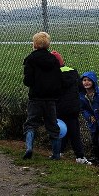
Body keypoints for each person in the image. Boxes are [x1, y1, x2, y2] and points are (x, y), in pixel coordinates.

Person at [22, 31, 63, 160]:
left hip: (35, 97)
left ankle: (29, 148)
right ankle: (56, 154)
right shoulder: (54, 60)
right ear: (48, 44)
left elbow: (28, 80)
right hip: (50, 99)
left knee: (31, 123)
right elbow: (58, 79)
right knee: (53, 126)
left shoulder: (31, 59)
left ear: (35, 44)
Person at [51, 50, 91, 165]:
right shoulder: (73, 72)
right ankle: (79, 156)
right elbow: (81, 89)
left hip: (59, 108)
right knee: (74, 132)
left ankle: (59, 152)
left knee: (60, 130)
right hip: (73, 108)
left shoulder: (53, 75)